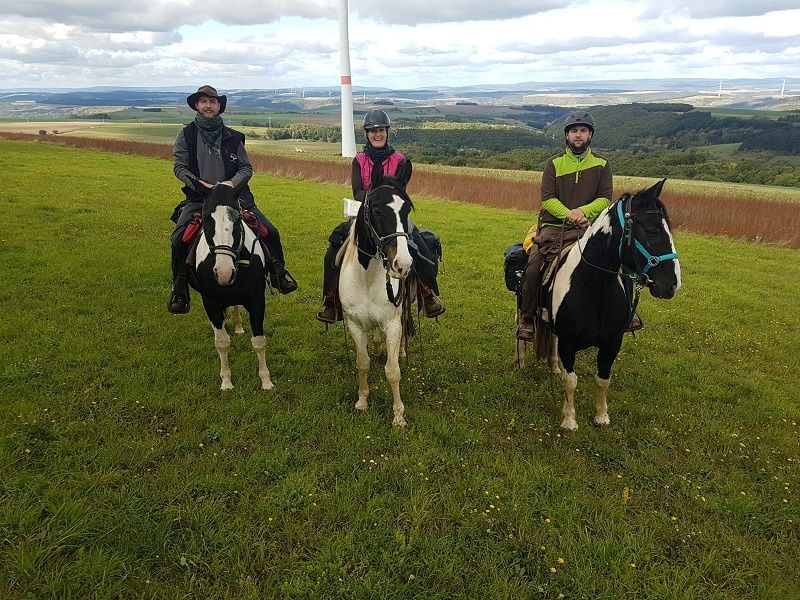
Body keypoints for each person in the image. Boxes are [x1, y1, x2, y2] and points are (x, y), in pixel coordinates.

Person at [167, 85, 297, 314]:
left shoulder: (234, 137)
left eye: (213, 102)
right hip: (200, 199)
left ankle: (278, 272)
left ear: (219, 107)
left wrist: (231, 184)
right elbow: (179, 166)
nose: (208, 105)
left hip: (236, 198)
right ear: (197, 105)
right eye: (204, 101)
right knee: (179, 239)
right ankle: (180, 288)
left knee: (271, 231)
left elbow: (246, 168)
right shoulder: (185, 135)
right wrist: (199, 184)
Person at [316, 109, 444, 323]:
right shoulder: (359, 160)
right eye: (373, 130)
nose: (377, 134)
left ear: (387, 132)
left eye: (381, 130)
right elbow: (357, 191)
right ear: (366, 134)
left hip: (394, 214)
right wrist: (377, 199)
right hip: (367, 213)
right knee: (334, 250)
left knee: (421, 247)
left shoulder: (400, 160)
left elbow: (402, 190)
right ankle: (331, 300)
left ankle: (427, 293)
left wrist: (387, 200)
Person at [516, 110, 613, 341]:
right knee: (533, 266)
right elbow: (548, 198)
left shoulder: (602, 164)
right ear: (567, 136)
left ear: (590, 135)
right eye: (573, 131)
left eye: (583, 131)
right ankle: (528, 317)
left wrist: (583, 212)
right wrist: (570, 214)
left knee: (615, 261)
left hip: (587, 225)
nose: (578, 135)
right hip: (553, 227)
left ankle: (621, 313)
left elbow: (605, 198)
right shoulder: (554, 163)